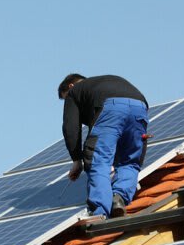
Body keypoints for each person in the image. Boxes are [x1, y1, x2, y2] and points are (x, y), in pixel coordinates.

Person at [58, 74, 149, 218]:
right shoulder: (102, 84)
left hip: (110, 109)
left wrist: (76, 159)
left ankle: (101, 210)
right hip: (140, 107)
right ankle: (119, 198)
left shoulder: (75, 91)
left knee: (97, 160)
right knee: (130, 161)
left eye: (65, 98)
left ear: (71, 86)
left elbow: (71, 127)